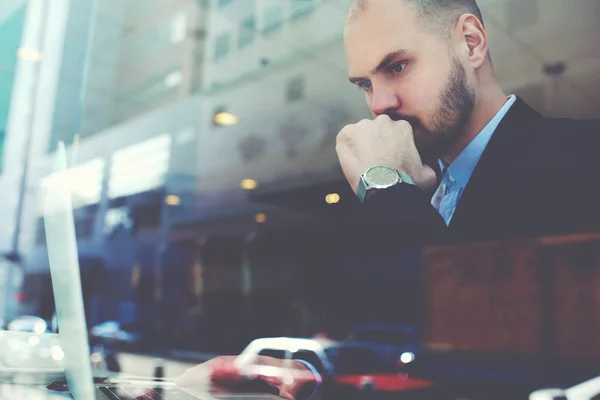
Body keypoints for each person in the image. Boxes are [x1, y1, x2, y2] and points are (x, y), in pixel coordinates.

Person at [176, 0, 600, 398]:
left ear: (470, 43)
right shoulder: (425, 192)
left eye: (397, 66)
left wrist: (385, 187)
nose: (380, 105)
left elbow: (465, 336)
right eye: (365, 83)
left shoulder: (581, 160)